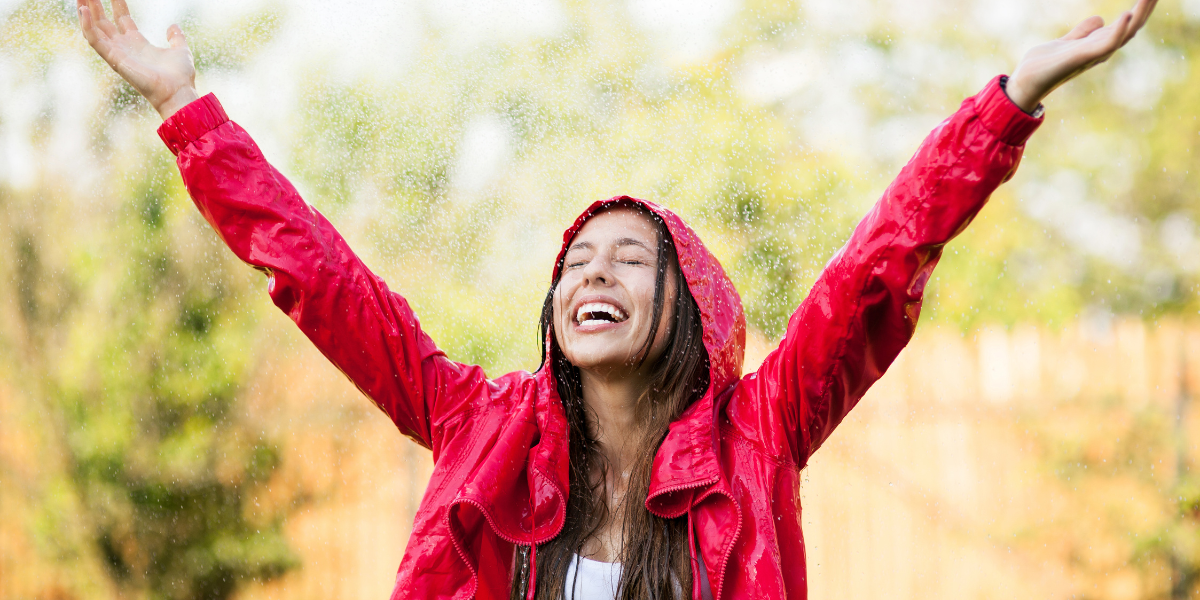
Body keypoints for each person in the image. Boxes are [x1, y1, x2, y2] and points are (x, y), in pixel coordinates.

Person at [77, 0, 1159, 598]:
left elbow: (882, 259)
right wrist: (183, 103)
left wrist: (1013, 98)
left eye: (628, 258)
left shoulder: (764, 432)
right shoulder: (474, 425)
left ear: (692, 303)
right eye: (576, 260)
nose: (590, 272)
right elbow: (316, 276)